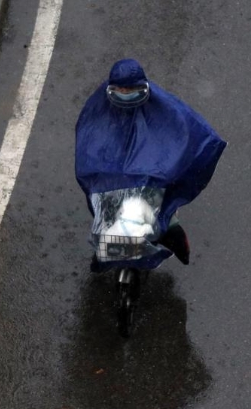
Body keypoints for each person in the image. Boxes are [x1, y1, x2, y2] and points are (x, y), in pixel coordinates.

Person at [76, 59, 227, 272]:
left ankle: (174, 237)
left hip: (150, 178)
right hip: (115, 177)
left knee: (162, 219)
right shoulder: (98, 108)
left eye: (130, 88)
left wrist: (163, 167)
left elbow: (185, 132)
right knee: (109, 220)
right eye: (121, 89)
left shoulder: (165, 108)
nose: (125, 93)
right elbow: (88, 141)